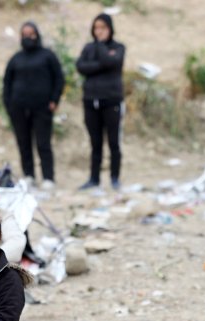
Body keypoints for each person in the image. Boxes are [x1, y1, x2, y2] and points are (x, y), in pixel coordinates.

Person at [4, 22, 65, 189]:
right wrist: (9, 105)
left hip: (42, 108)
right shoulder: (16, 59)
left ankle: (48, 177)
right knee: (24, 143)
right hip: (19, 108)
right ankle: (29, 175)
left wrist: (54, 100)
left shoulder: (47, 56)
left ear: (37, 35)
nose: (28, 37)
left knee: (43, 143)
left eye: (31, 34)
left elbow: (59, 78)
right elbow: (7, 84)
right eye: (25, 34)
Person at [75, 13, 125, 191]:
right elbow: (81, 66)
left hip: (111, 101)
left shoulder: (118, 47)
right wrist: (102, 63)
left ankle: (114, 178)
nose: (99, 31)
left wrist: (101, 48)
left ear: (110, 29)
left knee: (113, 142)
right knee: (95, 143)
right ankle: (94, 179)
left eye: (103, 27)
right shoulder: (88, 47)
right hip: (91, 101)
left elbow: (112, 61)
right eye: (96, 28)